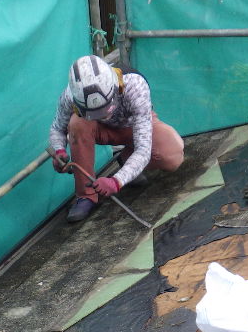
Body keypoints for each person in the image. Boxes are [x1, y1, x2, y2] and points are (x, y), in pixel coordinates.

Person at [48, 55, 185, 223]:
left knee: (173, 155)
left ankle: (126, 159)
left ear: (115, 87)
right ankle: (86, 195)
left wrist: (116, 181)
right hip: (100, 131)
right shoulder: (70, 97)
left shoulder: (134, 86)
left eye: (105, 108)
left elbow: (143, 149)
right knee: (77, 122)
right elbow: (57, 128)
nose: (104, 115)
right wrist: (59, 150)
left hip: (133, 127)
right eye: (96, 112)